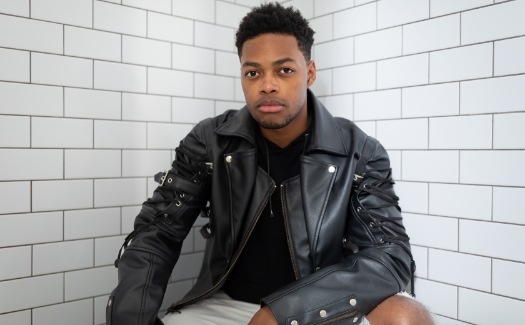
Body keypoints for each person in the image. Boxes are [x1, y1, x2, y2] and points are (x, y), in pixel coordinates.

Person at [107, 3, 434, 325]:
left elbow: (391, 255)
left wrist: (283, 313)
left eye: (284, 70)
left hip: (321, 307)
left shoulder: (359, 151)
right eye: (253, 72)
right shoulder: (210, 141)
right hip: (226, 304)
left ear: (310, 73)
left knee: (408, 316)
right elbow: (158, 232)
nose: (267, 84)